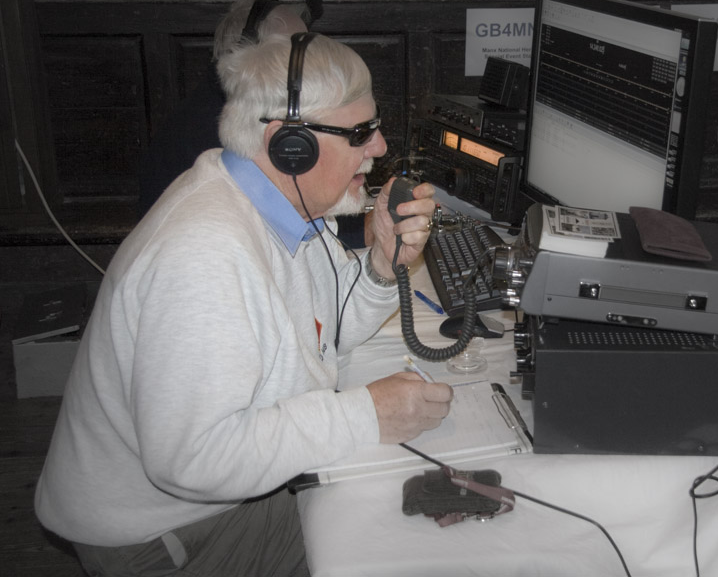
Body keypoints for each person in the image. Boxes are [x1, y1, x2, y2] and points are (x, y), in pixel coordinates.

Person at [35, 32, 452, 576]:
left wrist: (379, 265)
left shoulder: (278, 203)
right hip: (163, 534)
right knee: (397, 547)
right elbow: (194, 461)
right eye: (360, 132)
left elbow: (326, 332)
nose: (378, 147)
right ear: (289, 144)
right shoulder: (204, 256)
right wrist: (364, 414)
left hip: (201, 500)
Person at [137, 0, 373, 248]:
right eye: (293, 53)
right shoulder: (218, 130)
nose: (305, 64)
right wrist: (367, 230)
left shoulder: (220, 104)